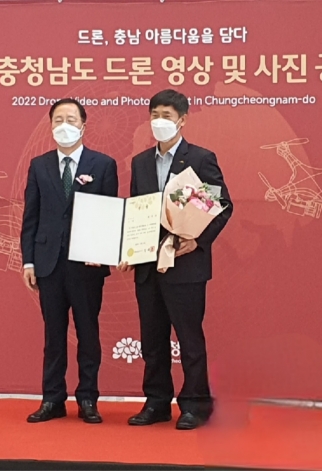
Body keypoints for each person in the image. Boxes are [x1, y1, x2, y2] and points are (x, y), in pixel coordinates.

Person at [118, 89, 233, 430]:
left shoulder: (200, 158)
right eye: (154, 115)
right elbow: (138, 209)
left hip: (186, 265)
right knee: (152, 341)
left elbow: (221, 205)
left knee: (189, 339)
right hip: (147, 265)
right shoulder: (140, 162)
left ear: (182, 120)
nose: (159, 122)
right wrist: (129, 248)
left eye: (166, 116)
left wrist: (197, 240)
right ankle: (156, 402)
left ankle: (195, 405)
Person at [21, 98, 118, 424]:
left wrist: (103, 252)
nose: (64, 125)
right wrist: (29, 262)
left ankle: (88, 398)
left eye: (71, 119)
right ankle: (53, 398)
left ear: (83, 125)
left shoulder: (103, 164)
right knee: (54, 335)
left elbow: (109, 213)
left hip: (87, 264)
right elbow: (31, 217)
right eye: (58, 119)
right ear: (50, 126)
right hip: (48, 263)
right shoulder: (39, 165)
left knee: (88, 333)